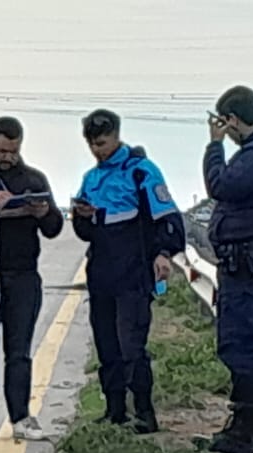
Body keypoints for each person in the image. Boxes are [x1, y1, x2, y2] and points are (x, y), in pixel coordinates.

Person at [72, 109, 186, 434]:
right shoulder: (91, 179)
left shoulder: (141, 172)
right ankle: (114, 411)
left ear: (117, 135)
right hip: (102, 273)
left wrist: (163, 254)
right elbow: (86, 232)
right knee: (106, 344)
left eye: (103, 142)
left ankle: (145, 413)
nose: (98, 150)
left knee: (131, 345)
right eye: (92, 145)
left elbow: (167, 218)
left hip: (134, 273)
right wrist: (82, 216)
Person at [0, 116, 63, 441]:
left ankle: (20, 418)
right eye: (2, 150)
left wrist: (42, 213)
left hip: (24, 274)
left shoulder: (34, 179)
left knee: (19, 351)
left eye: (13, 151)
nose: (7, 157)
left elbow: (54, 228)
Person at [203, 85, 253, 453]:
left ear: (232, 120)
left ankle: (245, 431)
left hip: (247, 267)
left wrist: (214, 146)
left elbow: (221, 186)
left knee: (244, 345)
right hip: (249, 264)